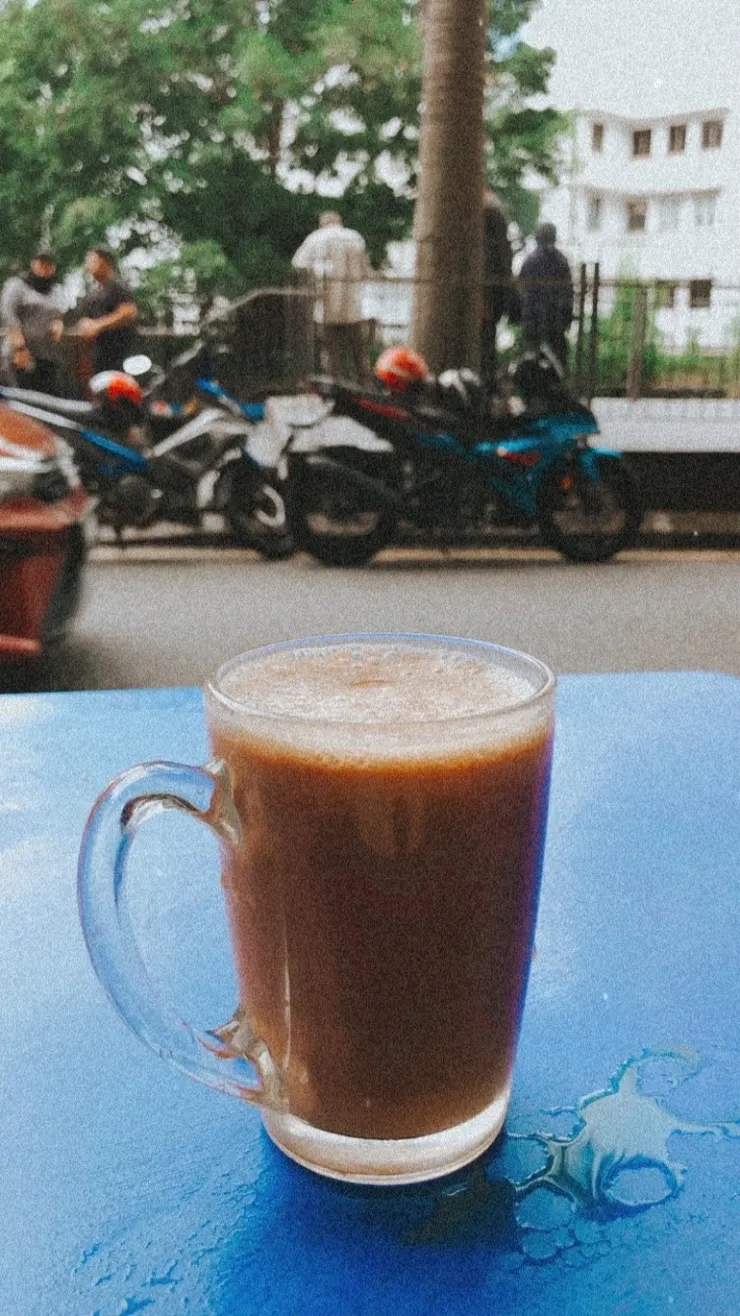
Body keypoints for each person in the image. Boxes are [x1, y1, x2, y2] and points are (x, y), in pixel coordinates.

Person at [291, 212, 371, 382]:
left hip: (327, 305)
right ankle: (364, 385)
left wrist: (315, 276)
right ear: (339, 221)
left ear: (322, 223)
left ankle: (336, 386)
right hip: (352, 305)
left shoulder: (316, 238)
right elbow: (365, 270)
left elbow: (298, 262)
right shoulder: (355, 237)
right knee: (358, 350)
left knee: (330, 350)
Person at [1, 252, 65, 392]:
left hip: (46, 354)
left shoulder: (56, 290)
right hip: (21, 353)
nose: (44, 268)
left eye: (48, 265)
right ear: (33, 264)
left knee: (47, 399)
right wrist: (20, 347)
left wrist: (58, 323)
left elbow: (58, 313)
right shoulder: (17, 285)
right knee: (22, 400)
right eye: (41, 264)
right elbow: (8, 314)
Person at [517, 221, 574, 371]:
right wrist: (567, 315)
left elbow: (521, 287)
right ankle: (557, 384)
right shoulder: (561, 260)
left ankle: (532, 384)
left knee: (532, 353)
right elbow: (568, 291)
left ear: (538, 237)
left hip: (533, 316)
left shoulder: (530, 260)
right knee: (557, 355)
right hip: (555, 316)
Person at [74, 247, 138, 374]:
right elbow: (86, 321)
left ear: (104, 262)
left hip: (122, 354)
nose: (88, 266)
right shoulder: (93, 293)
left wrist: (99, 325)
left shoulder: (119, 286)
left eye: (92, 261)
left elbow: (129, 312)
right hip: (99, 355)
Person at [481, 188, 516, 393]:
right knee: (488, 342)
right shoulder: (499, 229)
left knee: (484, 343)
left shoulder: (488, 222)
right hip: (496, 292)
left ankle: (486, 386)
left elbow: (491, 260)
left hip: (487, 293)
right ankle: (489, 385)